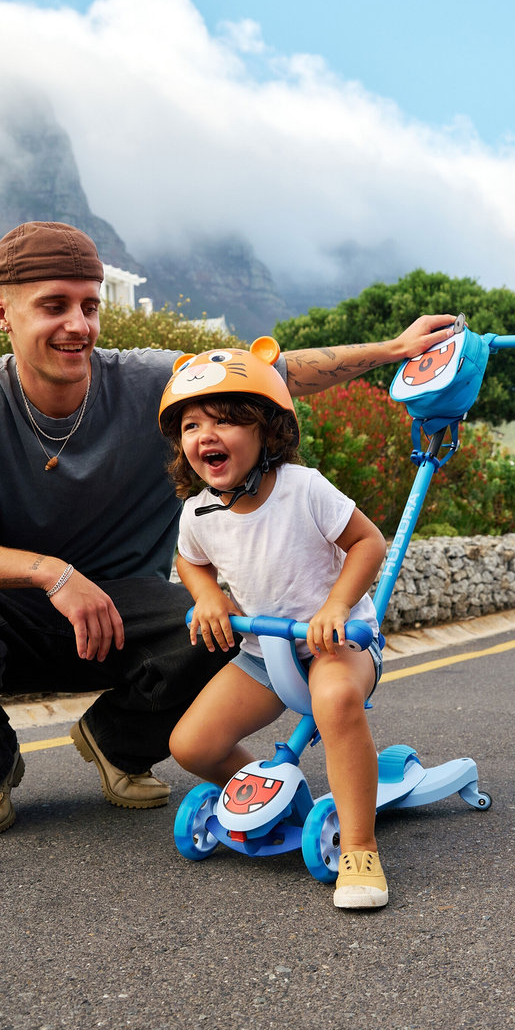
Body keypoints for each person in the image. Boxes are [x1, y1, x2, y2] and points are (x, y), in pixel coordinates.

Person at [0, 220, 455, 838]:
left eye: (89, 306)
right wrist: (52, 574)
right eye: (54, 306)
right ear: (1, 314)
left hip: (128, 614)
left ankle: (117, 744)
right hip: (5, 618)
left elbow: (262, 376)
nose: (79, 325)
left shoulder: (151, 382)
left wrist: (391, 351)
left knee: (227, 621)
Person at [157, 338, 390, 909]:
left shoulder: (302, 488)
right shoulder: (199, 511)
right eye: (191, 426)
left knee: (335, 703)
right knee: (191, 744)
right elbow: (189, 558)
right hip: (265, 652)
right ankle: (279, 796)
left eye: (226, 420)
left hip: (337, 644)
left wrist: (337, 606)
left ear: (267, 430)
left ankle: (359, 846)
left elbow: (367, 541)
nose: (205, 435)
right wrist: (208, 594)